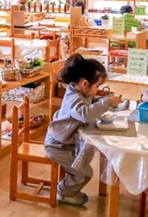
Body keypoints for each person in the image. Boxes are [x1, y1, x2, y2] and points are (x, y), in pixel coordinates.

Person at [44, 54, 121, 206]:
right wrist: (106, 103)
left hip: (66, 142)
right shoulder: (74, 98)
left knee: (84, 162)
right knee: (85, 172)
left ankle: (68, 188)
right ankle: (64, 193)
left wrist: (103, 101)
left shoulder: (80, 92)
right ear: (85, 84)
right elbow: (85, 114)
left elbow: (91, 102)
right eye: (97, 86)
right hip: (57, 146)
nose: (98, 90)